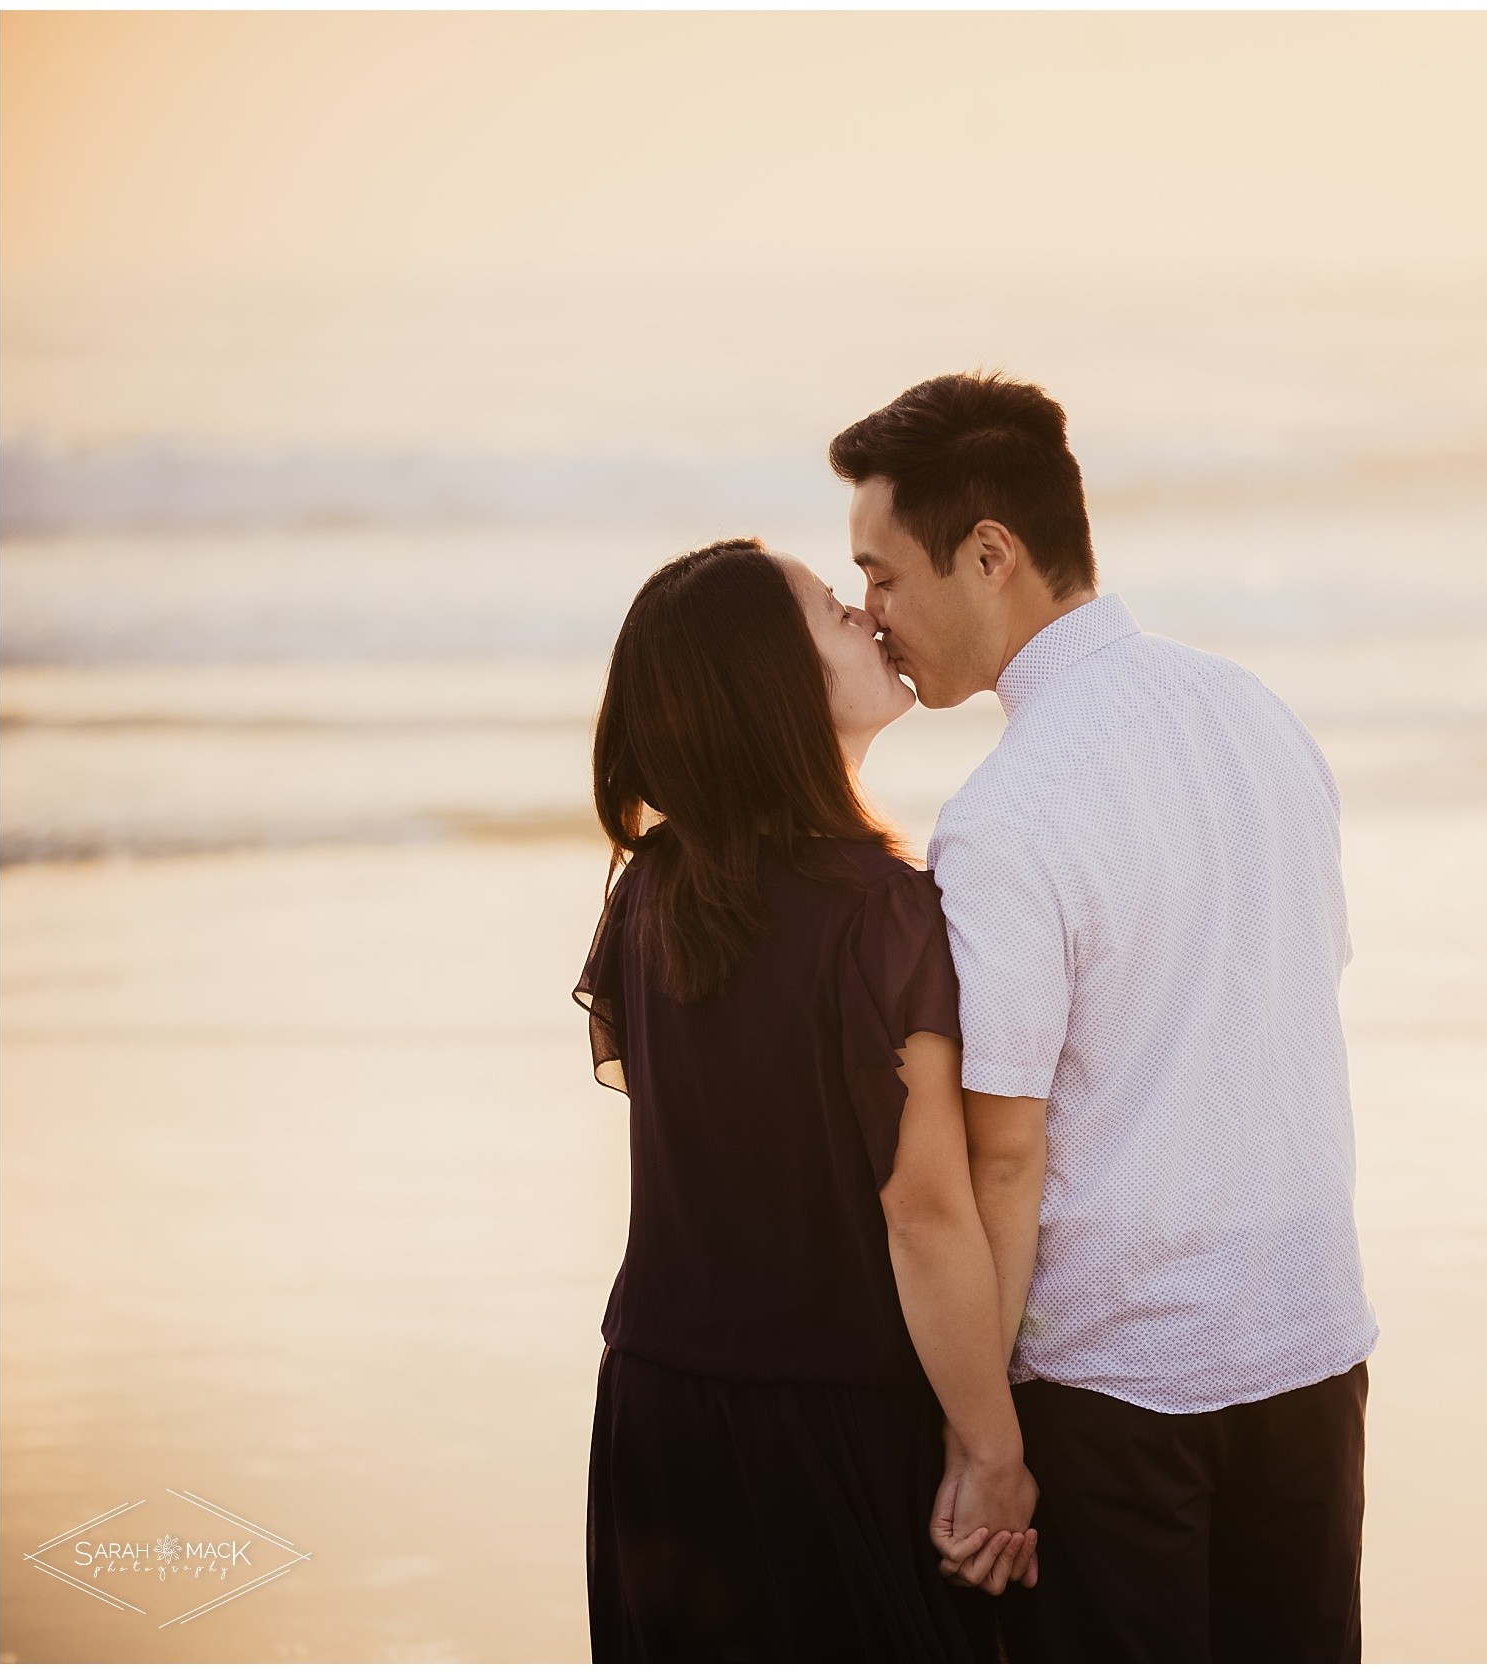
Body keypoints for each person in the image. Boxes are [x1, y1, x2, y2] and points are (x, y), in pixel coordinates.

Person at [832, 375, 1380, 1661]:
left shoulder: (1006, 816)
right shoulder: (1256, 712)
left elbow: (1005, 1151)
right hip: (1311, 1336)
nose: (872, 617)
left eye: (884, 575)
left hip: (1117, 1386)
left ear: (990, 554)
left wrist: (986, 1446)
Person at [576, 537, 1037, 1661]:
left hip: (655, 1411)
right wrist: (992, 1451)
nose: (871, 619)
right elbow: (923, 1211)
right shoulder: (878, 915)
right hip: (829, 1425)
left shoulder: (653, 893)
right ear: (773, 687)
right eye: (836, 614)